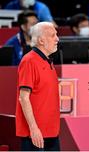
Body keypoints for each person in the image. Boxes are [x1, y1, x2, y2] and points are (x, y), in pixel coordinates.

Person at [16, 22, 60, 151]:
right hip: (35, 134)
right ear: (41, 40)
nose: (57, 39)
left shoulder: (47, 61)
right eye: (53, 35)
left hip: (51, 132)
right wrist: (34, 128)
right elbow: (23, 98)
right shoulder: (29, 61)